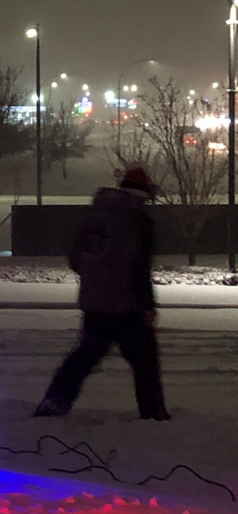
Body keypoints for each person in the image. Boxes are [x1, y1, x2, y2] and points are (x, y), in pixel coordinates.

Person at [34, 166, 170, 420]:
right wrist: (147, 306)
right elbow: (138, 268)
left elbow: (76, 258)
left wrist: (98, 278)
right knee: (144, 361)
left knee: (85, 356)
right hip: (127, 305)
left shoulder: (96, 217)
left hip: (95, 301)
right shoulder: (137, 220)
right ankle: (154, 414)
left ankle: (54, 403)